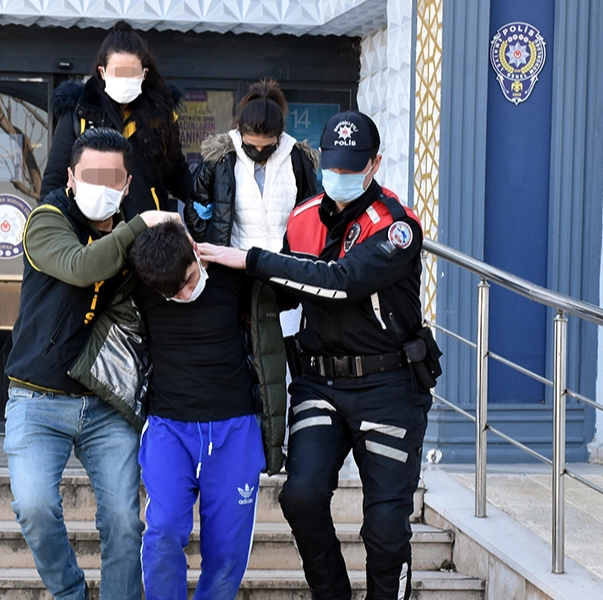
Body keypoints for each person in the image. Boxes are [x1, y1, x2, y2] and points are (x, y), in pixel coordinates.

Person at [199, 110, 440, 600]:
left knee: (385, 528)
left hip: (389, 387)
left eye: (353, 166)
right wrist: (213, 288)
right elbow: (291, 291)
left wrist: (252, 259)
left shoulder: (396, 226)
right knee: (301, 497)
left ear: (374, 164)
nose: (341, 175)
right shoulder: (304, 215)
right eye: (334, 165)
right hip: (319, 383)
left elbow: (341, 283)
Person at [3, 127, 178, 600]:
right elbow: (81, 266)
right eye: (91, 175)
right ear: (71, 178)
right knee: (34, 506)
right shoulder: (46, 220)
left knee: (124, 520)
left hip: (107, 403)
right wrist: (140, 225)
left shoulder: (136, 234)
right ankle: (70, 593)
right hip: (37, 399)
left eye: (112, 178)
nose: (101, 187)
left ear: (126, 184)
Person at [127, 220, 283, 600]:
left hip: (234, 430)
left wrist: (250, 260)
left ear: (195, 251)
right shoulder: (144, 285)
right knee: (163, 529)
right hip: (169, 429)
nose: (184, 293)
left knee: (227, 552)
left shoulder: (233, 278)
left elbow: (294, 290)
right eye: (172, 292)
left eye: (188, 280)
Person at [41, 20, 193, 219]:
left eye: (131, 73)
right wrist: (45, 223)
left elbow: (177, 173)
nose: (124, 79)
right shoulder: (79, 113)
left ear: (144, 74)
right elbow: (55, 179)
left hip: (147, 229)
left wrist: (205, 198)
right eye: (117, 72)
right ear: (102, 72)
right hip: (92, 229)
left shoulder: (161, 116)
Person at [185, 78, 318, 252]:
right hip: (233, 262)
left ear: (279, 135)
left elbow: (310, 215)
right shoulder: (221, 159)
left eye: (267, 147)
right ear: (239, 130)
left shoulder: (298, 160)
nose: (259, 151)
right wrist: (214, 247)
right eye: (251, 146)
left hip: (283, 262)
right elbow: (194, 209)